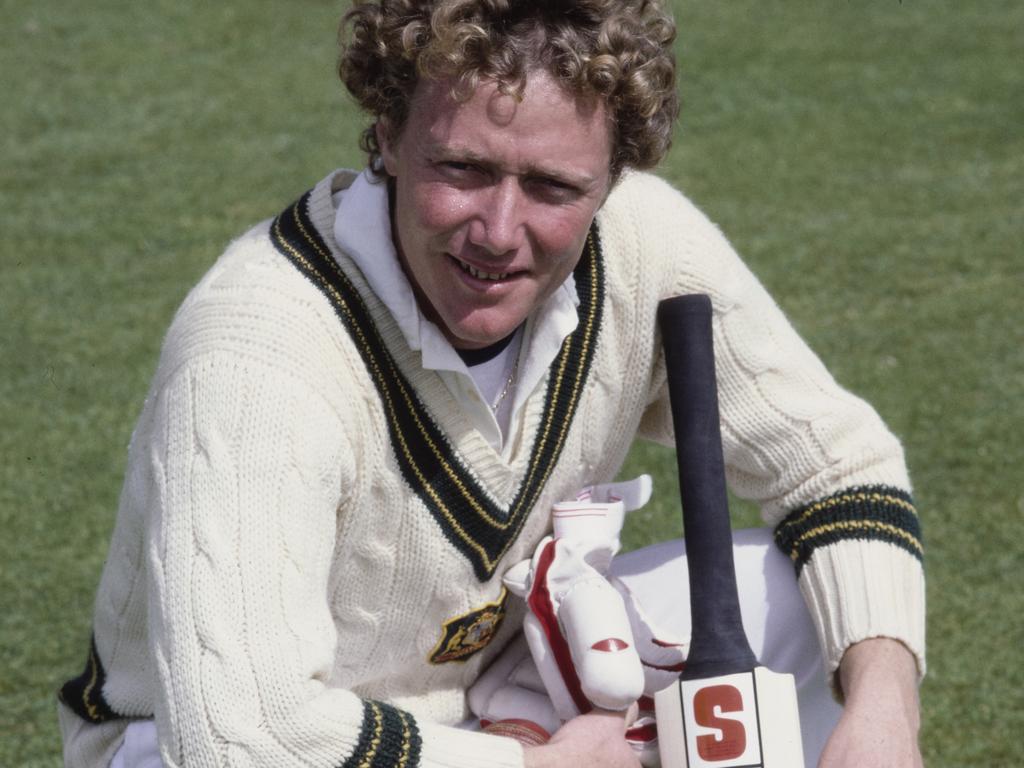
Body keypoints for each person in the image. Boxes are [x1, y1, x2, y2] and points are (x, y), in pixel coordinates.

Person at [57, 0, 925, 766]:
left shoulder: (644, 245)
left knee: (800, 596)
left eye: (552, 185)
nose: (500, 232)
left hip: (491, 696)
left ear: (612, 179)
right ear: (389, 133)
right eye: (463, 169)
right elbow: (242, 738)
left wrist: (885, 713)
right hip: (190, 744)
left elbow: (839, 470)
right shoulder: (256, 352)